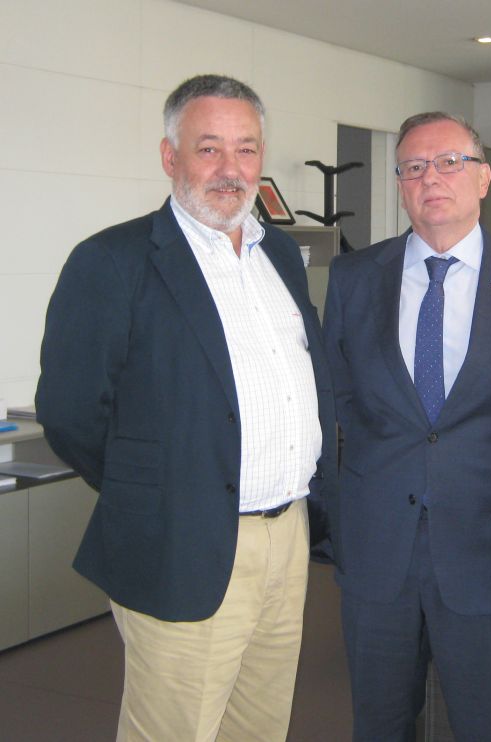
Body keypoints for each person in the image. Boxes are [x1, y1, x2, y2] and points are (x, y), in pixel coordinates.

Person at [35, 74, 337, 742]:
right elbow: (69, 410)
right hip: (182, 540)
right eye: (209, 148)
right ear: (171, 157)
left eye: (248, 149)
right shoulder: (113, 261)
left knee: (259, 727)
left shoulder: (280, 254)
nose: (232, 169)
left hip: (287, 540)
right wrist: (151, 493)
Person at [323, 112, 491, 741]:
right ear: (401, 185)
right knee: (379, 727)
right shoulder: (354, 279)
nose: (431, 177)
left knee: (490, 728)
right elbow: (338, 400)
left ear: (484, 177)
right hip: (380, 552)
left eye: (450, 162)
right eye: (413, 167)